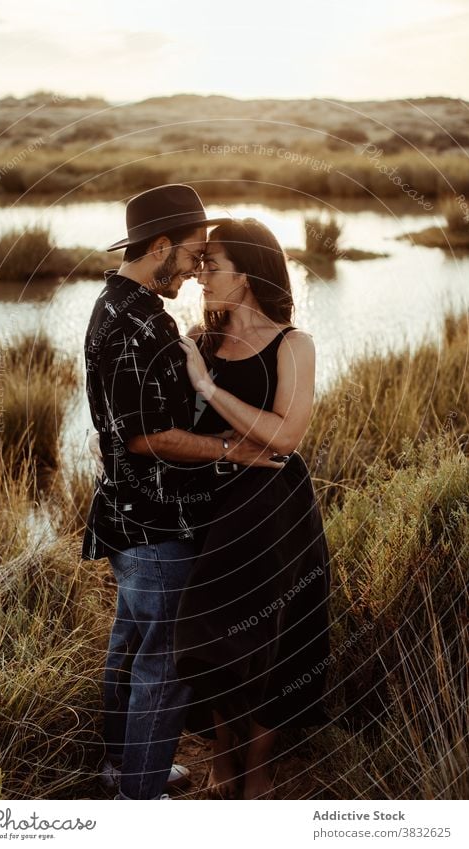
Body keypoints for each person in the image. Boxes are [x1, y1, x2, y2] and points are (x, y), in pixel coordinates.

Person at [82, 186, 284, 800]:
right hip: (154, 524)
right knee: (163, 665)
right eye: (193, 254)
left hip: (124, 514)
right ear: (161, 247)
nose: (198, 268)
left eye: (208, 260)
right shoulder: (141, 323)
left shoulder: (112, 304)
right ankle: (138, 798)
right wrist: (231, 448)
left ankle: (122, 766)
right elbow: (147, 437)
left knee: (131, 641)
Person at [173, 217, 332, 799]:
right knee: (212, 637)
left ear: (245, 275)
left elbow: (285, 438)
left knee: (274, 638)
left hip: (275, 517)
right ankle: (223, 752)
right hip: (211, 510)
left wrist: (210, 388)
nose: (200, 275)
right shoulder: (198, 341)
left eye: (212, 265)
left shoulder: (295, 343)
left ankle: (258, 764)